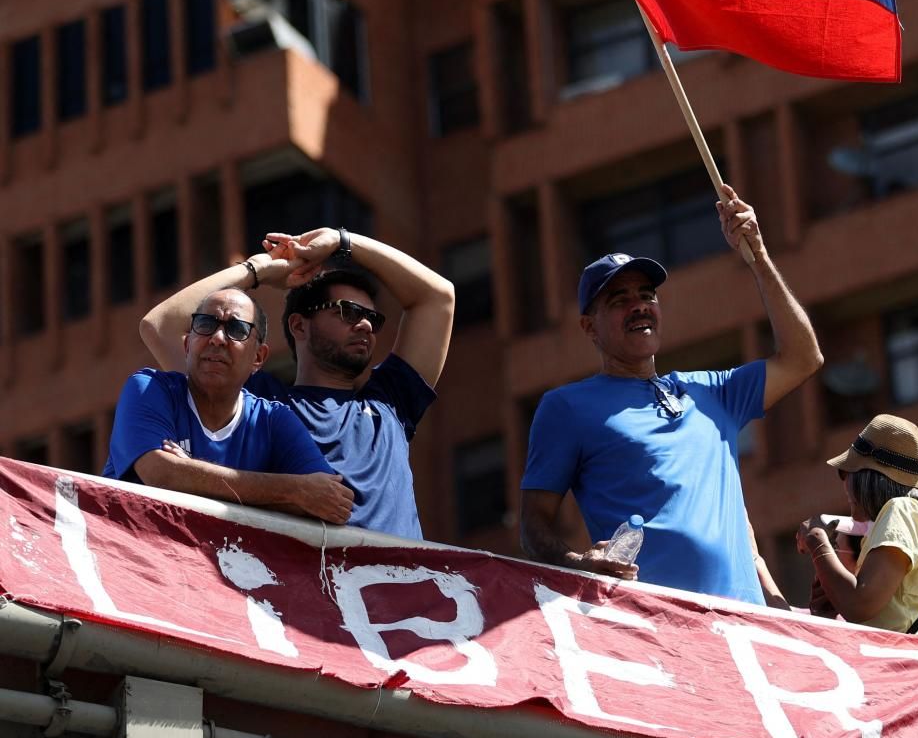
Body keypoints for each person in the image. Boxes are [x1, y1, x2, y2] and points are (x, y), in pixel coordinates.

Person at [519, 186, 820, 606]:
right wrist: (579, 565)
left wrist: (760, 259)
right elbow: (533, 526)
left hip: (745, 622)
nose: (639, 306)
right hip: (652, 629)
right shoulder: (566, 407)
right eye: (620, 300)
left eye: (647, 295)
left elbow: (804, 357)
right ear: (590, 328)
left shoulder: (712, 389)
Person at [139, 227, 455, 539]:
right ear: (299, 325)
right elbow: (160, 325)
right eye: (348, 312)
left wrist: (342, 241)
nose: (365, 326)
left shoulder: (390, 401)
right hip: (300, 587)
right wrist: (258, 269)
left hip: (399, 585)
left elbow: (438, 297)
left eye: (373, 319)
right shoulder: (256, 404)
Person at [104, 287, 352, 523]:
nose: (218, 338)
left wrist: (190, 473)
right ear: (187, 345)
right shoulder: (148, 388)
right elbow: (161, 473)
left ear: (258, 358)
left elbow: (333, 502)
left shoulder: (273, 420)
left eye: (236, 328)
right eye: (205, 324)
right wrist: (294, 491)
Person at [796, 415, 918, 640]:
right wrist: (834, 598)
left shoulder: (903, 509)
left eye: (846, 471)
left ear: (870, 479)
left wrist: (816, 541)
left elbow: (860, 603)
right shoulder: (907, 519)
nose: (843, 482)